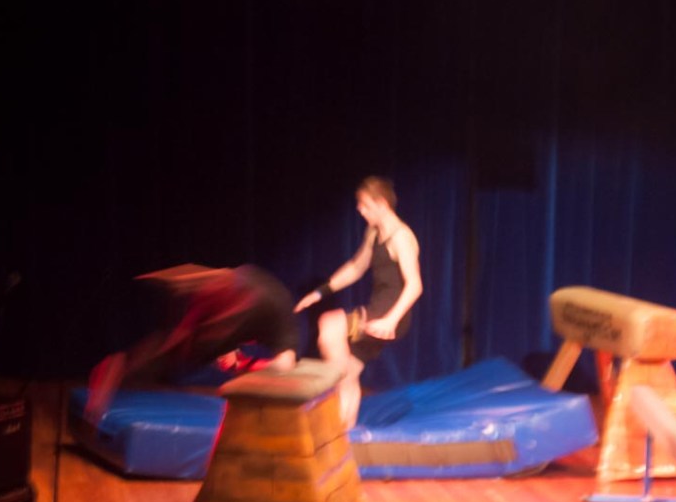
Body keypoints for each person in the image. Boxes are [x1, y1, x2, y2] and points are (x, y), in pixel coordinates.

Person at [84, 264, 297, 423]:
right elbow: (189, 325)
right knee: (175, 349)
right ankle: (119, 368)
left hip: (242, 309)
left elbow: (284, 363)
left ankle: (125, 366)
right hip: (230, 298)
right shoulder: (219, 297)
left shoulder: (272, 312)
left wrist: (246, 366)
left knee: (196, 349)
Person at [295, 176, 422, 429]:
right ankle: (345, 432)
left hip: (389, 314)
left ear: (381, 203)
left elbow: (415, 285)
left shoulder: (401, 237)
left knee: (329, 323)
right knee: (349, 374)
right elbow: (356, 267)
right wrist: (320, 292)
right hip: (377, 313)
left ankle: (333, 385)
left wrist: (390, 320)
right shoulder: (374, 232)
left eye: (364, 204)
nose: (359, 209)